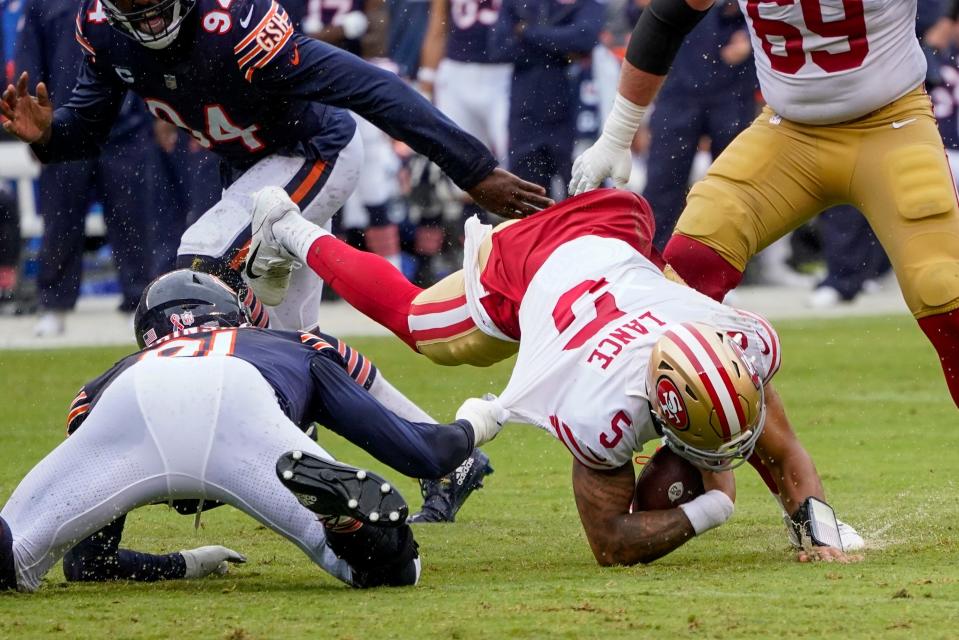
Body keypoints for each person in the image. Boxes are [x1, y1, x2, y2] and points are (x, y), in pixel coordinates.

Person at [246, 186, 865, 564]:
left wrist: (816, 525)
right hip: (529, 270)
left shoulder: (734, 344)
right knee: (420, 324)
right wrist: (713, 508)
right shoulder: (600, 409)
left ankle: (580, 189)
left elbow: (770, 440)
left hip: (610, 230)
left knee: (729, 416)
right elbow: (611, 544)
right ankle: (289, 229)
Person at [0, 0, 552, 333]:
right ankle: (444, 453)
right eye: (131, 8)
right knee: (297, 344)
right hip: (252, 170)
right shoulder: (101, 28)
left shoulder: (234, 24)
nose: (146, 18)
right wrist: (49, 134)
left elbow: (369, 87)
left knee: (200, 260)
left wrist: (473, 168)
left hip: (314, 152)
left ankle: (193, 419)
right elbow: (87, 130)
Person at [0, 269, 506, 592]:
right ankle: (345, 523)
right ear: (228, 312)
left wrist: (187, 563)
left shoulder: (107, 379)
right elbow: (421, 453)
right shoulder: (287, 343)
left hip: (130, 404)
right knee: (391, 571)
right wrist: (477, 421)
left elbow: (89, 564)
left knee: (15, 558)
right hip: (240, 405)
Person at [569, 0, 959, 410]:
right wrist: (617, 133)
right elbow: (667, 19)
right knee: (687, 270)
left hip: (891, 124)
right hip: (789, 133)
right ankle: (688, 450)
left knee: (943, 288)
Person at [16, 0, 155, 336]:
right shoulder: (43, 3)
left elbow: (154, 48)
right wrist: (40, 133)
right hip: (67, 125)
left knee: (132, 220)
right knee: (60, 220)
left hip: (125, 128)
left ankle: (137, 301)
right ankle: (53, 305)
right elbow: (29, 63)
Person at [488, 0, 605, 197]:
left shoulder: (585, 4)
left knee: (585, 201)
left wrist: (527, 33)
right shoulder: (518, 3)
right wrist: (561, 51)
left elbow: (585, 37)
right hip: (526, 117)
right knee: (530, 205)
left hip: (572, 116)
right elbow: (499, 48)